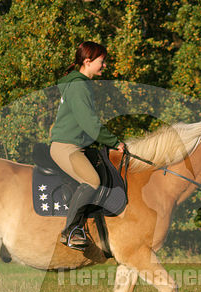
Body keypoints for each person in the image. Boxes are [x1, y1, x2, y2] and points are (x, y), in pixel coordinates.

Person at [49, 41, 125, 249]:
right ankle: (71, 231)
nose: (105, 66)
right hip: (67, 147)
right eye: (102, 61)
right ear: (87, 61)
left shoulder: (80, 84)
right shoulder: (79, 85)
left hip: (76, 146)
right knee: (92, 181)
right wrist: (114, 142)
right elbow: (89, 123)